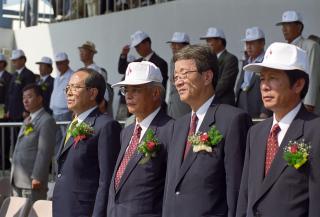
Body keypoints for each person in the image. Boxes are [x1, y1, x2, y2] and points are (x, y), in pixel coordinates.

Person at [162, 45, 252, 217]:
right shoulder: (177, 126)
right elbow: (171, 188)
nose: (179, 81)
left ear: (207, 76)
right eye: (176, 76)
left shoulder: (232, 120)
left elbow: (236, 188)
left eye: (185, 74)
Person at [236, 42, 320, 217]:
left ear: (298, 85)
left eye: (273, 78)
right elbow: (245, 194)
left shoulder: (315, 131)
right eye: (262, 79)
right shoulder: (256, 133)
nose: (265, 86)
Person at [52, 68, 121, 217]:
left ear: (92, 93)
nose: (69, 92)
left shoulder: (105, 126)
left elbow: (106, 179)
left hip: (84, 211)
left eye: (75, 87)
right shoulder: (74, 123)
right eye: (67, 88)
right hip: (63, 207)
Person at [108, 61, 173, 216]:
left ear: (156, 93)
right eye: (126, 90)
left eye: (136, 89)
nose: (128, 95)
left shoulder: (171, 130)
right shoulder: (127, 131)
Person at [11, 84, 57, 202]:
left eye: (29, 97)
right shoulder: (27, 120)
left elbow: (44, 152)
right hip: (17, 179)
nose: (25, 101)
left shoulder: (46, 120)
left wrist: (37, 177)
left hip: (31, 181)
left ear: (40, 98)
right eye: (23, 98)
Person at [276, 10, 320, 114]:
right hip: (287, 102)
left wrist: (309, 102)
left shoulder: (311, 46)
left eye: (288, 25)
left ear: (299, 27)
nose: (284, 29)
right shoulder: (283, 48)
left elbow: (313, 75)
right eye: (283, 25)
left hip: (304, 103)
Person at [235, 27, 270, 118]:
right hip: (242, 108)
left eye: (252, 43)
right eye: (247, 43)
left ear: (262, 43)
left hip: (258, 110)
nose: (249, 47)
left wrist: (265, 111)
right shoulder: (246, 61)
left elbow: (271, 88)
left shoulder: (267, 61)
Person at [200, 27, 239, 105]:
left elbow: (224, 84)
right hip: (209, 103)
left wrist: (206, 95)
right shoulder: (207, 59)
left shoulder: (230, 59)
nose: (207, 44)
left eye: (210, 40)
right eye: (207, 41)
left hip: (223, 103)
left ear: (219, 41)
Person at [50, 52, 74, 154]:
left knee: (67, 140)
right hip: (55, 112)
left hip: (66, 113)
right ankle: (57, 167)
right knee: (56, 141)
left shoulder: (72, 76)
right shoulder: (57, 77)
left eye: (61, 63)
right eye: (57, 63)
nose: (59, 66)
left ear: (67, 62)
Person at [166, 32, 191, 119]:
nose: (173, 47)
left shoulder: (191, 61)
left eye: (176, 45)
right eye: (172, 45)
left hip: (184, 105)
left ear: (186, 46)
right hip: (172, 104)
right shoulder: (173, 60)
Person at [7, 49, 35, 122]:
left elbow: (30, 94)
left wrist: (27, 110)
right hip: (13, 111)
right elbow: (10, 93)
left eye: (15, 60)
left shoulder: (28, 74)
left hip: (22, 112)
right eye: (13, 60)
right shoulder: (14, 75)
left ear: (23, 60)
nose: (13, 63)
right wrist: (9, 109)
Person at [0, 53, 12, 120]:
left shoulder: (9, 77)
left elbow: (9, 94)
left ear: (2, 63)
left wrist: (8, 109)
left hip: (3, 108)